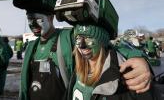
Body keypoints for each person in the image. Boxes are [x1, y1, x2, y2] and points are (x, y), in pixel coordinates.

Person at [19, 11, 152, 100]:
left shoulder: (65, 37)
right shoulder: (32, 45)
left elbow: (115, 43)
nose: (81, 45)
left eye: (38, 19)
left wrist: (138, 57)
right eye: (29, 19)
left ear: (50, 18)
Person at [67, 24, 154, 100]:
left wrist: (141, 59)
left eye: (88, 38)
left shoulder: (124, 77)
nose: (82, 45)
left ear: (102, 42)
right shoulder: (78, 69)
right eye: (78, 39)